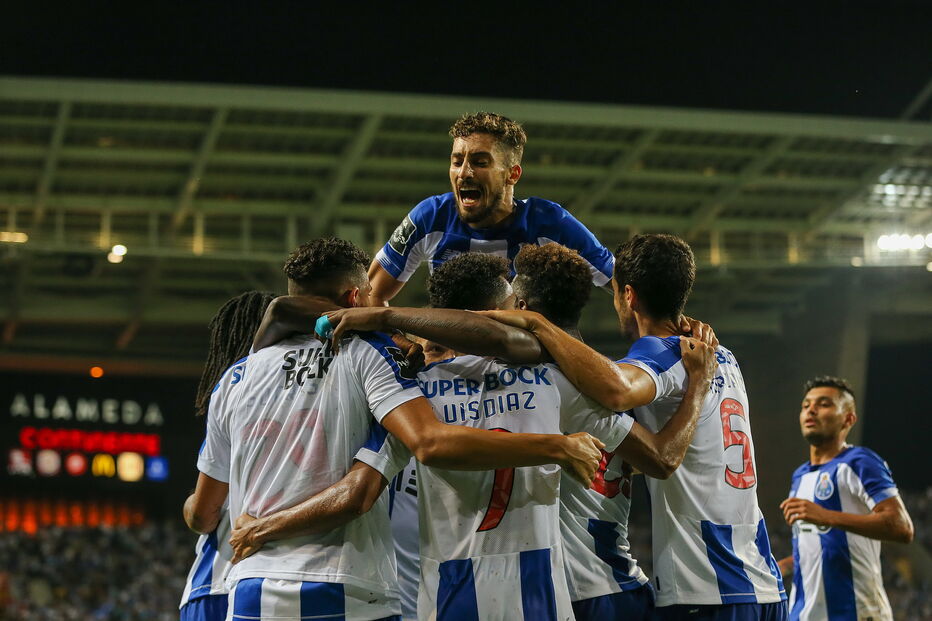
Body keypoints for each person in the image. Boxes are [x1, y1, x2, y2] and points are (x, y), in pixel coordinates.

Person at [230, 249, 716, 621]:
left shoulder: (413, 393)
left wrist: (266, 526)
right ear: (499, 308)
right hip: (540, 590)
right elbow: (657, 457)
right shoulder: (555, 378)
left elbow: (360, 489)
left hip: (446, 593)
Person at [183, 238, 603, 620]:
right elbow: (407, 457)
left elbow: (202, 513)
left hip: (249, 588)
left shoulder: (235, 377)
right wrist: (559, 446)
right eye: (368, 293)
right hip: (347, 584)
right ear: (353, 299)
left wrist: (260, 527)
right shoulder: (373, 354)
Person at [480, 234, 788, 620]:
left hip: (707, 585)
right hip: (762, 579)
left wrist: (536, 324)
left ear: (628, 295)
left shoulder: (658, 354)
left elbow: (616, 389)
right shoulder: (721, 355)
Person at [368, 111, 615, 306]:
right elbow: (371, 293)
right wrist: (398, 346)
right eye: (457, 161)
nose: (464, 173)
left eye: (480, 162)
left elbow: (623, 286)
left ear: (512, 174)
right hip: (449, 363)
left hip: (521, 364)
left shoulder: (549, 222)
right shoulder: (431, 217)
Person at [777, 376, 914, 621]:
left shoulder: (859, 461)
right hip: (802, 614)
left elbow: (901, 527)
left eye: (824, 404)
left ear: (848, 419)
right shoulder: (800, 476)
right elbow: (819, 547)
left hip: (856, 613)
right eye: (806, 405)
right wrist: (784, 566)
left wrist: (826, 515)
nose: (811, 410)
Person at [179, 290, 276, 621]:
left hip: (217, 584)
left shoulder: (234, 389)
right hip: (289, 580)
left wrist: (190, 504)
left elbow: (203, 516)